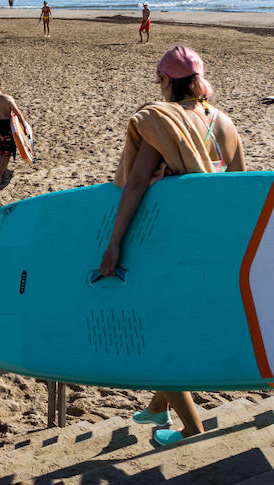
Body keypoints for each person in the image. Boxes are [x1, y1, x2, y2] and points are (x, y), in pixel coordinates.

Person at [97, 45, 247, 447]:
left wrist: (113, 245)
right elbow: (238, 193)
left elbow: (133, 187)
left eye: (159, 79)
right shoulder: (226, 125)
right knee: (180, 323)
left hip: (169, 245)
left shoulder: (161, 125)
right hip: (213, 248)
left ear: (167, 81)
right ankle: (158, 407)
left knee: (158, 335)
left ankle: (193, 429)